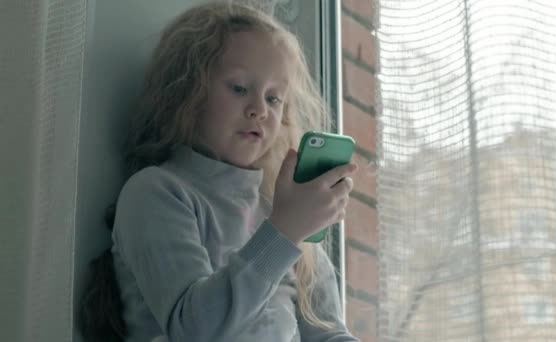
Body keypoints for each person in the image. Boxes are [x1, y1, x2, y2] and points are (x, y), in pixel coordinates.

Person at [79, 2, 359, 341]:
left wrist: (289, 227)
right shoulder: (155, 192)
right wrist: (285, 232)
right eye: (239, 88)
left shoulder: (277, 210)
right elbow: (197, 330)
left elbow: (327, 334)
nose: (259, 109)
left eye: (274, 99)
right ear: (187, 90)